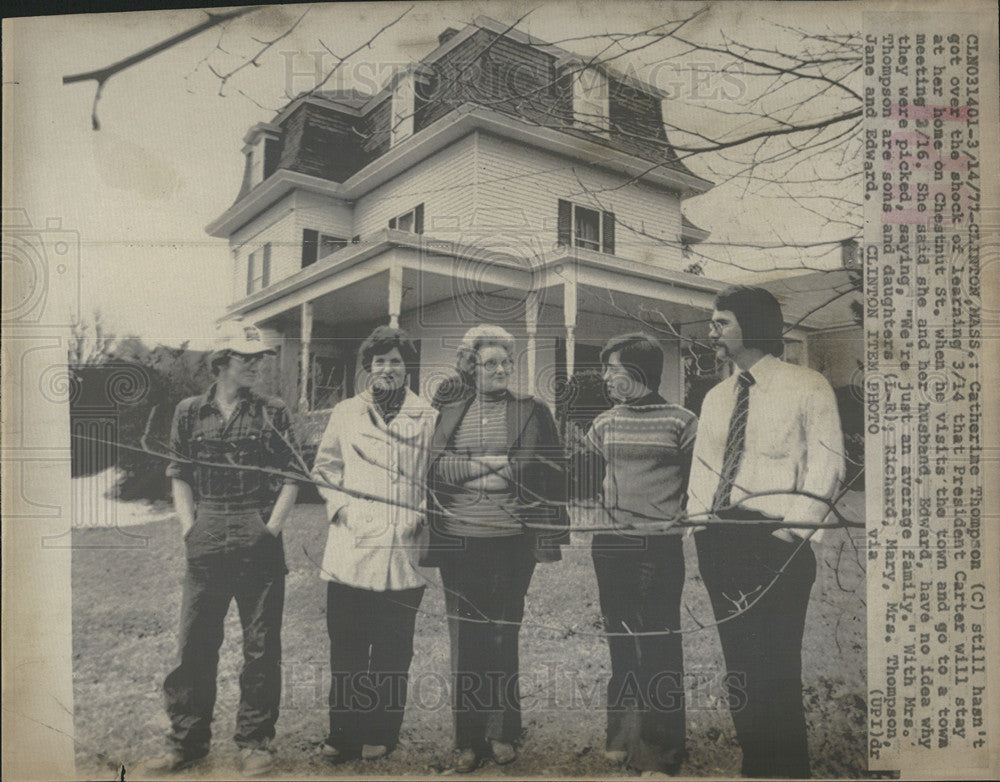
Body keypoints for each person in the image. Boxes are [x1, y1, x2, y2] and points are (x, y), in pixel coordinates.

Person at [687, 286, 844, 778]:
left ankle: (788, 769)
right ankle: (756, 765)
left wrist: (790, 536)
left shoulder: (807, 385)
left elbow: (827, 465)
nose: (711, 331)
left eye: (722, 323)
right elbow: (704, 469)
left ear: (752, 327)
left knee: (776, 665)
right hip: (720, 540)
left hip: (778, 542)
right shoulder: (715, 396)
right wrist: (700, 528)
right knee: (740, 664)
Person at [145, 323, 302, 777]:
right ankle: (187, 741)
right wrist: (190, 528)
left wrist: (271, 527)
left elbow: (294, 473)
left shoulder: (272, 410)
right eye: (244, 357)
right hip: (208, 529)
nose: (255, 364)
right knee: (194, 641)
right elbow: (180, 473)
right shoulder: (190, 412)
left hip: (257, 529)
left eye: (258, 358)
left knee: (261, 646)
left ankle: (255, 743)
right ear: (221, 362)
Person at [427, 325, 569, 773]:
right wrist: (490, 467)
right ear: (472, 365)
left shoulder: (531, 410)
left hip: (512, 541)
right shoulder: (450, 411)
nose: (501, 369)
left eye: (507, 362)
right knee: (465, 637)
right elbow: (434, 469)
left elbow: (536, 468)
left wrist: (472, 470)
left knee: (503, 633)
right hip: (459, 540)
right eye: (490, 363)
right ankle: (469, 738)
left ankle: (502, 731)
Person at [312, 326, 438, 763]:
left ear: (408, 368)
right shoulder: (346, 411)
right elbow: (325, 467)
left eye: (397, 361)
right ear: (369, 366)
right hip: (351, 541)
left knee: (392, 646)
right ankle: (342, 733)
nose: (388, 368)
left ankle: (382, 731)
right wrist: (341, 509)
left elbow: (433, 476)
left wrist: (417, 514)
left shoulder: (427, 416)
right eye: (380, 361)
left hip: (402, 543)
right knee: (347, 644)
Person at [574, 333, 696, 775]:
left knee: (660, 642)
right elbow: (584, 475)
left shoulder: (682, 421)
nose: (605, 375)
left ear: (639, 373)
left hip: (658, 547)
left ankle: (662, 748)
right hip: (610, 546)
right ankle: (622, 734)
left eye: (613, 368)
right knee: (621, 639)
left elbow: (697, 487)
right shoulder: (604, 422)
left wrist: (677, 518)